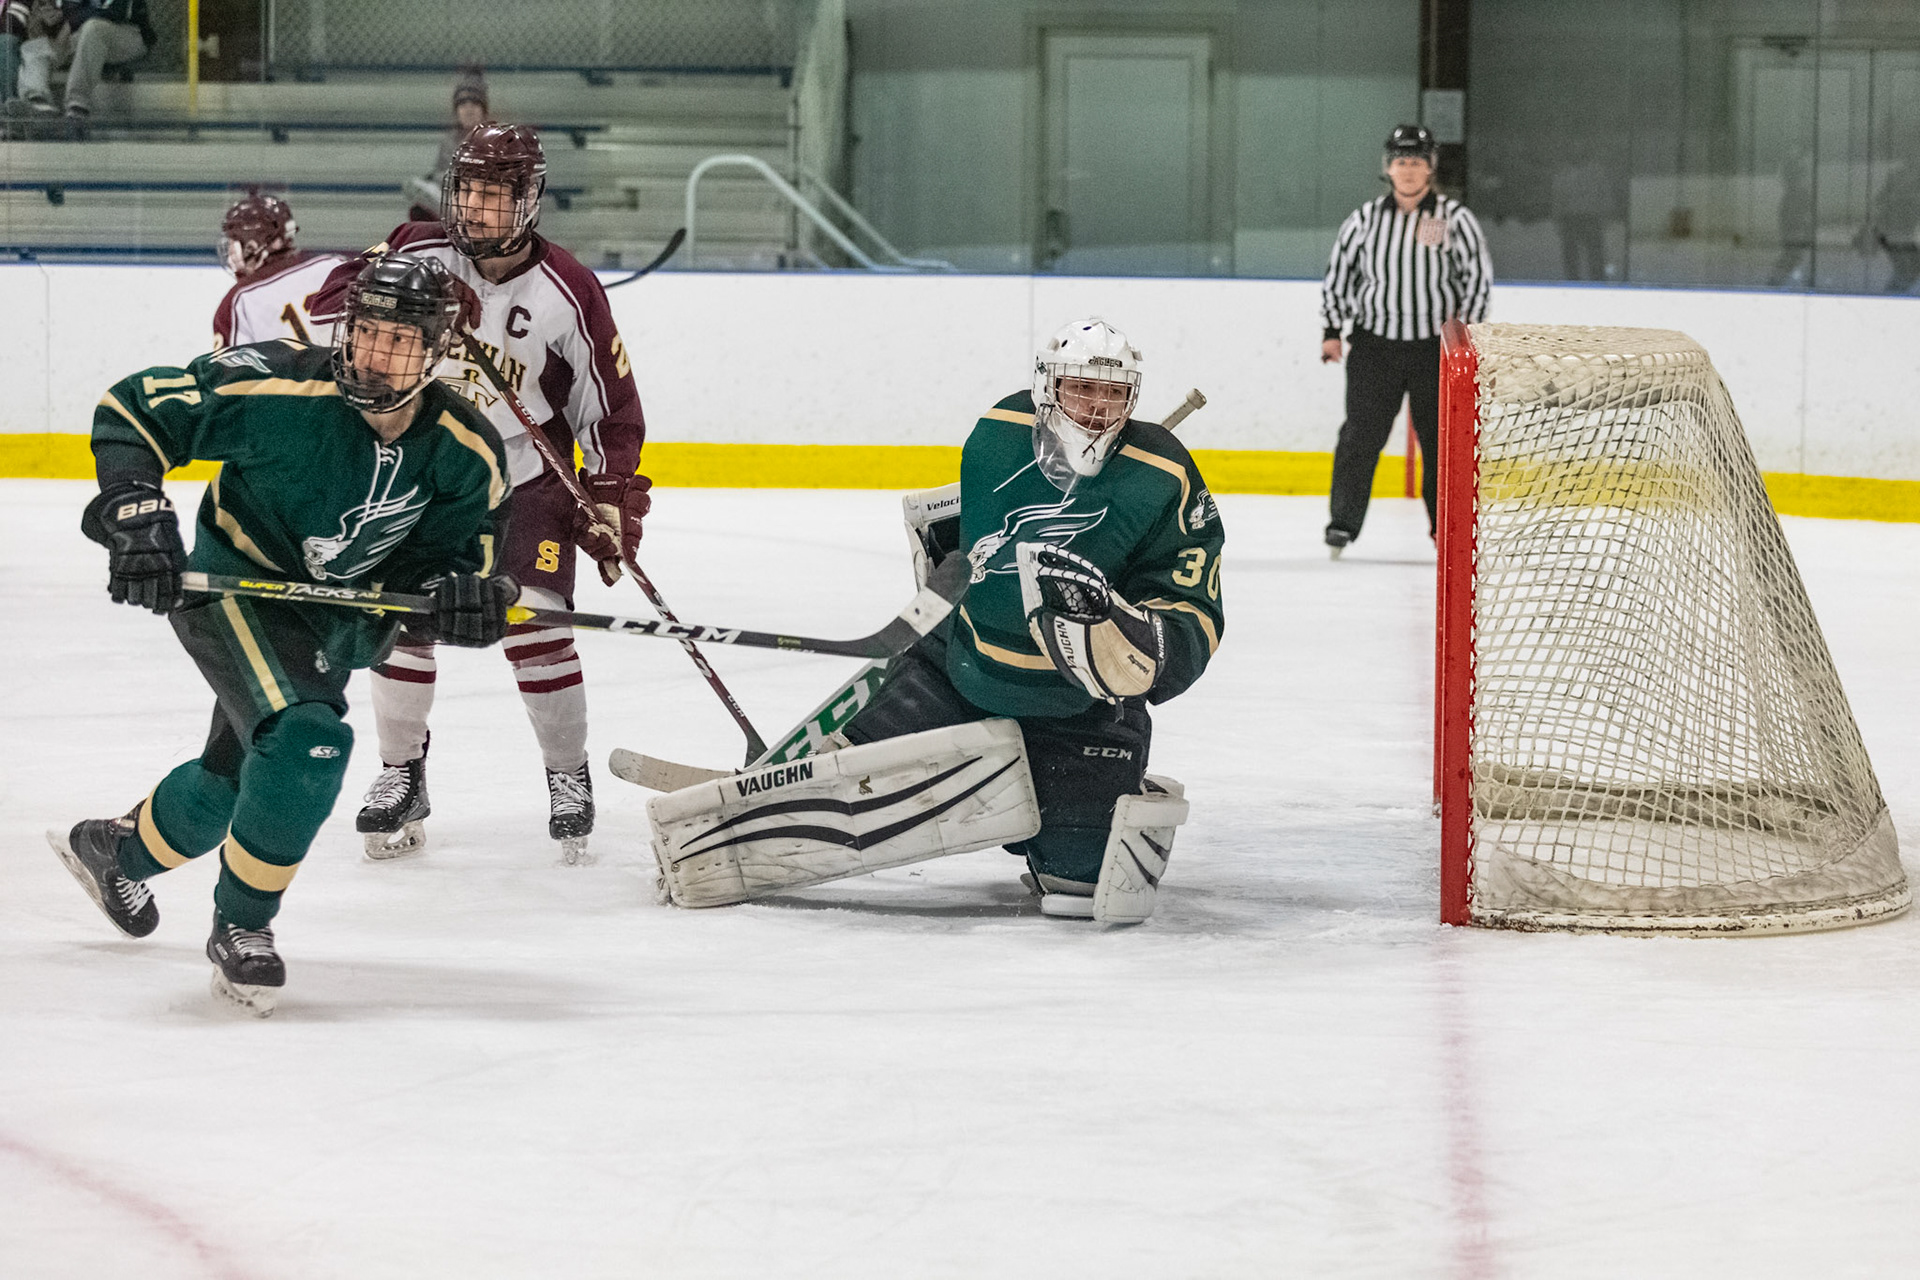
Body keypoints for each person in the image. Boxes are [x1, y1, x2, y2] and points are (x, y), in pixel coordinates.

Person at [48, 253, 514, 1015]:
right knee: (308, 742)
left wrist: (468, 595)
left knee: (233, 780)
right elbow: (135, 408)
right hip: (237, 586)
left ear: (436, 352)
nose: (374, 354)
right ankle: (244, 925)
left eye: (399, 341)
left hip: (336, 620)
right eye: (366, 332)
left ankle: (116, 851)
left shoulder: (466, 450)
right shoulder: (280, 386)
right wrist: (135, 513)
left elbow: (466, 554)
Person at [650, 320, 1222, 923]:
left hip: (1079, 707)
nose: (1098, 406)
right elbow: (972, 538)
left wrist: (1153, 645)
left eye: (1113, 392)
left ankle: (1088, 803)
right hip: (959, 672)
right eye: (1082, 387)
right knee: (834, 792)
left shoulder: (1164, 471)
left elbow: (1193, 598)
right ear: (1048, 386)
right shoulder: (1000, 430)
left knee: (1080, 886)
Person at [310, 121, 649, 864]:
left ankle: (567, 775)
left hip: (525, 477)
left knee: (538, 629)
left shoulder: (568, 288)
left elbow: (610, 410)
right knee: (403, 622)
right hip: (426, 476)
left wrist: (611, 499)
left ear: (528, 200)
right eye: (468, 192)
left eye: (495, 196)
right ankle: (402, 773)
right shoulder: (419, 247)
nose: (477, 210)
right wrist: (417, 294)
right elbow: (327, 304)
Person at [1320, 123, 1492, 555]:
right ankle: (1342, 525)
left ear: (1430, 167)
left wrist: (1468, 335)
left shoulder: (1454, 219)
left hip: (1436, 351)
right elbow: (1340, 275)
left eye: (1416, 161)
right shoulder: (1364, 220)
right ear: (1389, 168)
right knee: (1360, 436)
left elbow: (1476, 279)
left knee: (1441, 442)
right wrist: (1331, 331)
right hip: (1375, 347)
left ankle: (1446, 529)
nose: (1409, 169)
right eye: (1401, 161)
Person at [212, 192, 349, 348]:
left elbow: (231, 363)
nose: (230, 252)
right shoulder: (333, 264)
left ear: (252, 245)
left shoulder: (239, 299)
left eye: (233, 242)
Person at [407, 69, 490, 220]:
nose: (469, 110)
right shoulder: (449, 141)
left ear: (483, 110)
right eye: (463, 105)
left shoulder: (494, 139)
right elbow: (441, 173)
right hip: (451, 198)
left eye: (474, 104)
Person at [57, 0, 150, 122]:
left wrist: (70, 23)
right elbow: (70, 9)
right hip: (85, 32)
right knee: (46, 44)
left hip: (128, 33)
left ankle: (77, 103)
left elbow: (115, 12)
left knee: (93, 28)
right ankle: (38, 98)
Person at [7, 0, 72, 115]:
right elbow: (18, 20)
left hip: (79, 36)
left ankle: (37, 102)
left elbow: (95, 10)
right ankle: (37, 100)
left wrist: (65, 18)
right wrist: (38, 21)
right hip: (49, 45)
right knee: (32, 47)